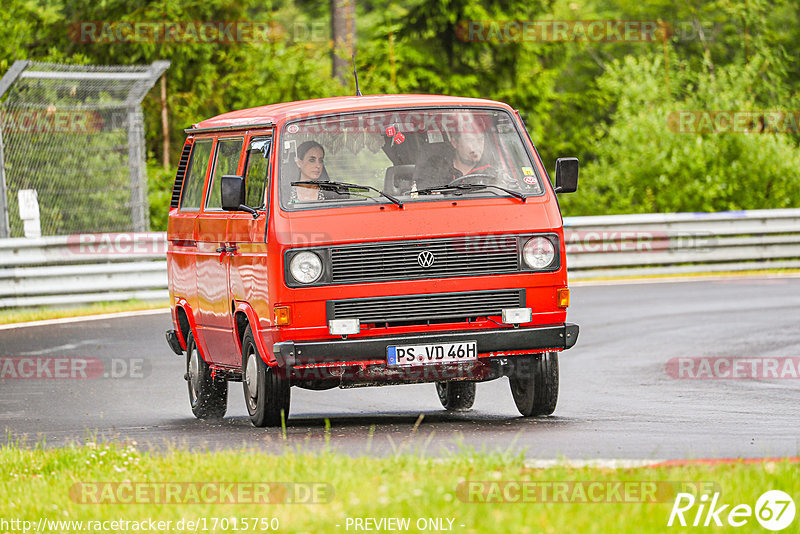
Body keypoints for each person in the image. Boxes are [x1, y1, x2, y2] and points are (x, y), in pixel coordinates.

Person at [412, 115, 496, 190]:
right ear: (455, 143)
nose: (476, 146)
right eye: (469, 140)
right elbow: (423, 196)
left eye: (480, 140)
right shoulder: (436, 168)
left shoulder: (492, 170)